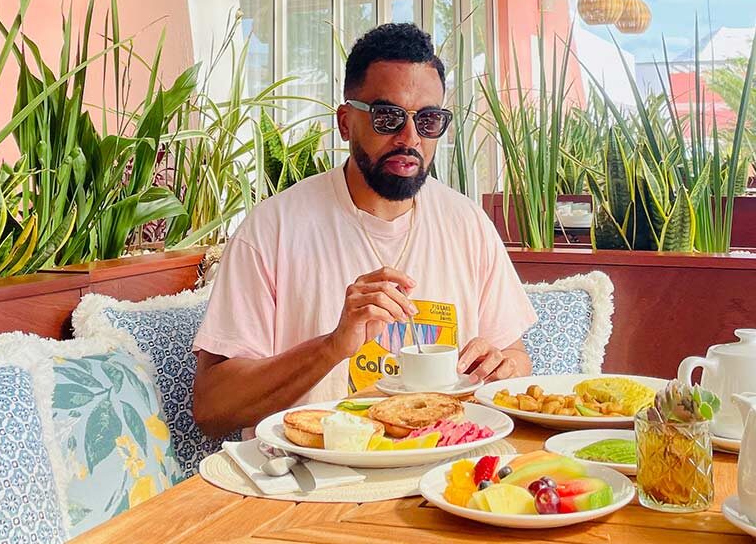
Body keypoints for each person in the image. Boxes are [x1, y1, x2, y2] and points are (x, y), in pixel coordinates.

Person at [192, 23, 536, 437]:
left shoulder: (467, 224)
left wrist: (503, 367)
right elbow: (212, 408)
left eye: (428, 120)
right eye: (387, 117)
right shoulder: (273, 228)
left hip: (443, 468)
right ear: (344, 122)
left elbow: (515, 357)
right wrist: (332, 346)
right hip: (314, 479)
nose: (409, 138)